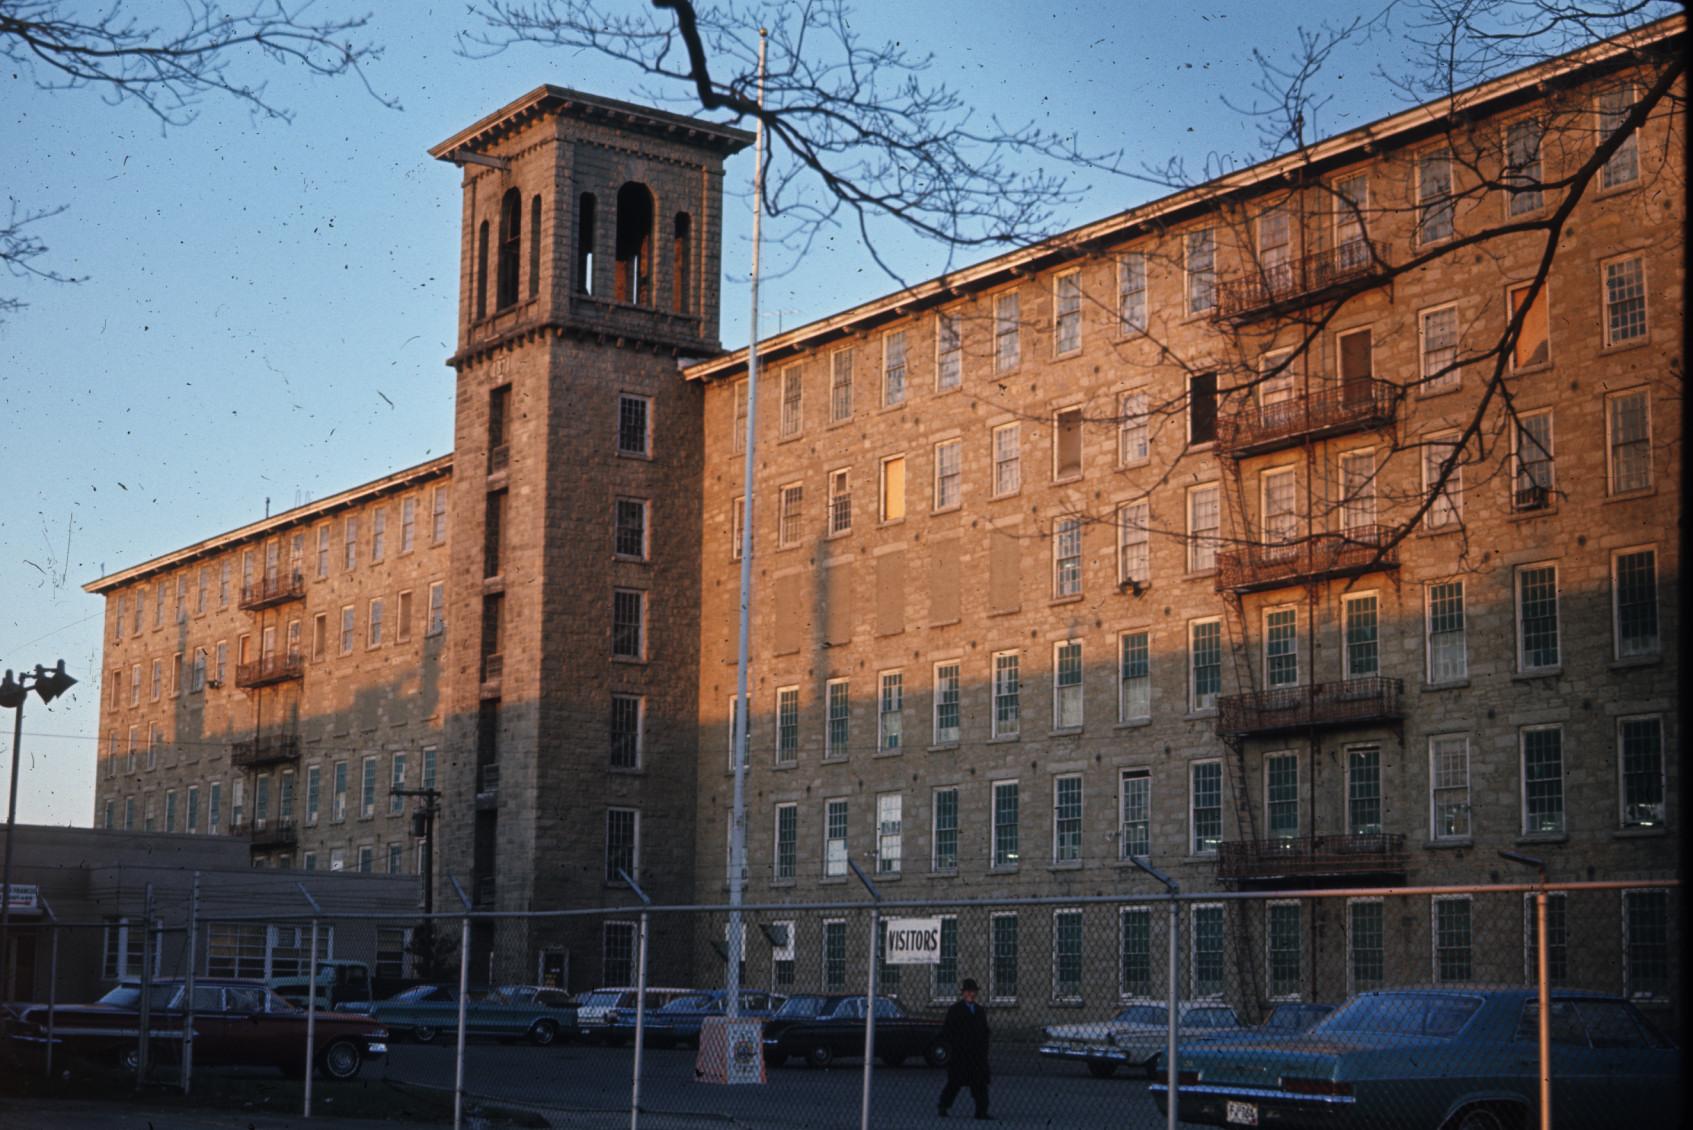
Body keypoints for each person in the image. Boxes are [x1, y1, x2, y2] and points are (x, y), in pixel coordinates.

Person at [937, 977, 991, 1120]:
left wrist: (984, 1049)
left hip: (977, 1054)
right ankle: (943, 1106)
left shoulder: (979, 1011)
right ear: (963, 993)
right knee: (955, 1083)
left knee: (980, 1084)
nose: (971, 994)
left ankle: (981, 1111)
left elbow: (985, 1031)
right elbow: (948, 1031)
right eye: (968, 992)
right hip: (960, 1054)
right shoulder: (955, 1010)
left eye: (973, 992)